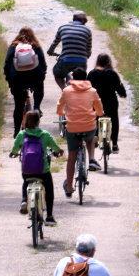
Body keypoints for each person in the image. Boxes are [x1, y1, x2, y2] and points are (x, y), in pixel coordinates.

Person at [10, 110, 63, 225]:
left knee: (26, 181)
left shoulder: (21, 135)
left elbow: (15, 149)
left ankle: (24, 200)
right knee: (49, 188)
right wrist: (59, 151)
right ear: (39, 121)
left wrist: (13, 153)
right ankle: (49, 216)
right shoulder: (45, 135)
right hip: (42, 170)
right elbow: (55, 147)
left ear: (25, 122)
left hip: (27, 170)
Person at [56, 68, 103, 196]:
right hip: (89, 127)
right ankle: (92, 159)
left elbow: (59, 108)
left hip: (72, 128)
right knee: (91, 137)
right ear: (86, 78)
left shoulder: (66, 91)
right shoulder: (92, 91)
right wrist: (96, 113)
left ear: (72, 78)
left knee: (72, 158)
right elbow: (100, 111)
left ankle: (69, 188)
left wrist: (63, 113)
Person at [4, 26, 48, 137]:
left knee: (18, 107)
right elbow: (43, 63)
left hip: (17, 79)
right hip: (34, 78)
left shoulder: (13, 46)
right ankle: (37, 107)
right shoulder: (36, 46)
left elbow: (7, 62)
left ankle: (16, 133)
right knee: (39, 87)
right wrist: (42, 74)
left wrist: (8, 76)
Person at [87, 54, 127, 153]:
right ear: (109, 62)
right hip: (110, 103)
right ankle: (114, 144)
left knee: (95, 118)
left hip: (96, 103)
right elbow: (120, 89)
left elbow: (87, 88)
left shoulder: (91, 74)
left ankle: (95, 135)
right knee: (114, 120)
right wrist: (122, 94)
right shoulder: (113, 74)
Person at [47, 11, 92, 90]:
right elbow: (88, 47)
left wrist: (50, 51)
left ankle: (64, 90)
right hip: (81, 61)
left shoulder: (63, 27)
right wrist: (87, 55)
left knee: (58, 74)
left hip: (66, 61)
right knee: (81, 77)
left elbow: (55, 42)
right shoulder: (87, 30)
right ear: (82, 20)